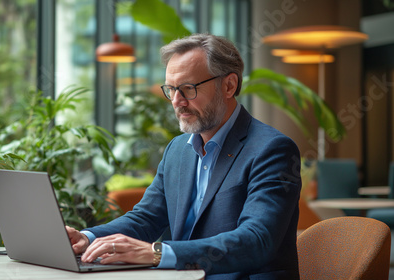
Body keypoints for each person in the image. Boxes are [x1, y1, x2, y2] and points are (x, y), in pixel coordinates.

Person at [67, 33, 301, 279]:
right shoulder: (177, 150)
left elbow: (256, 240)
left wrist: (157, 253)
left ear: (229, 86)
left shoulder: (272, 150)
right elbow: (146, 218)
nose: (177, 101)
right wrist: (87, 237)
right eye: (171, 89)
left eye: (188, 89)